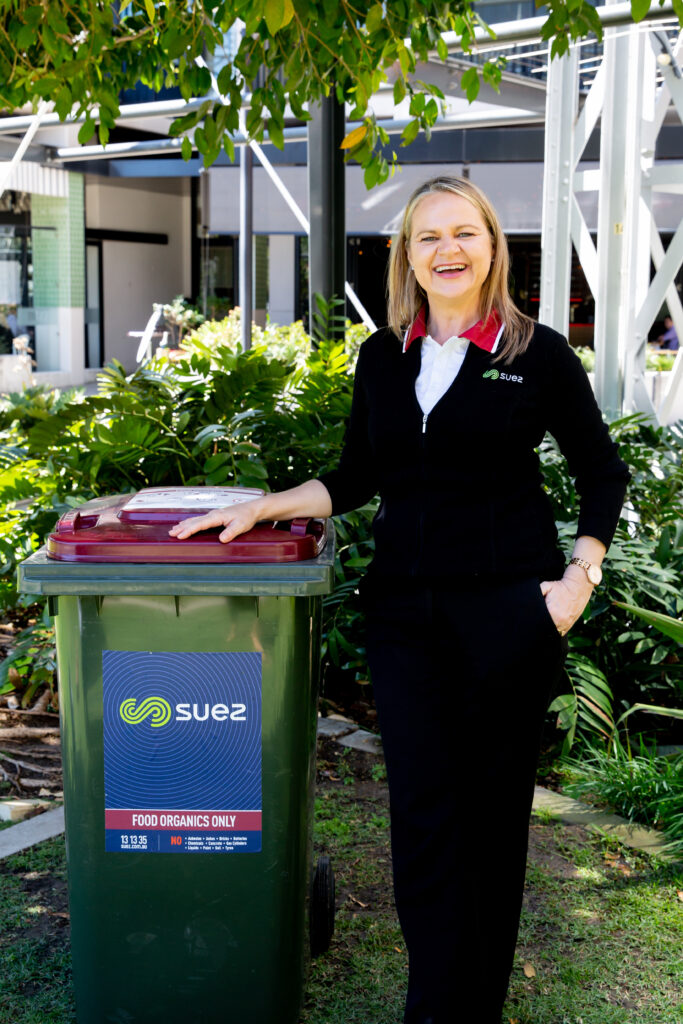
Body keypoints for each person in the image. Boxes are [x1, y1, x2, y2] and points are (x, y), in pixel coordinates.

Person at [169, 176, 630, 1024]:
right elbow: (356, 475)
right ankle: (430, 1006)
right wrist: (262, 506)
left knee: (490, 826)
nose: (447, 250)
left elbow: (602, 471)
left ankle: (470, 1009)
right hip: (403, 620)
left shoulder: (535, 354)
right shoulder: (384, 355)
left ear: (492, 246)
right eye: (428, 237)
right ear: (407, 257)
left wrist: (577, 582)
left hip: (508, 614)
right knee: (420, 817)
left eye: (464, 233)